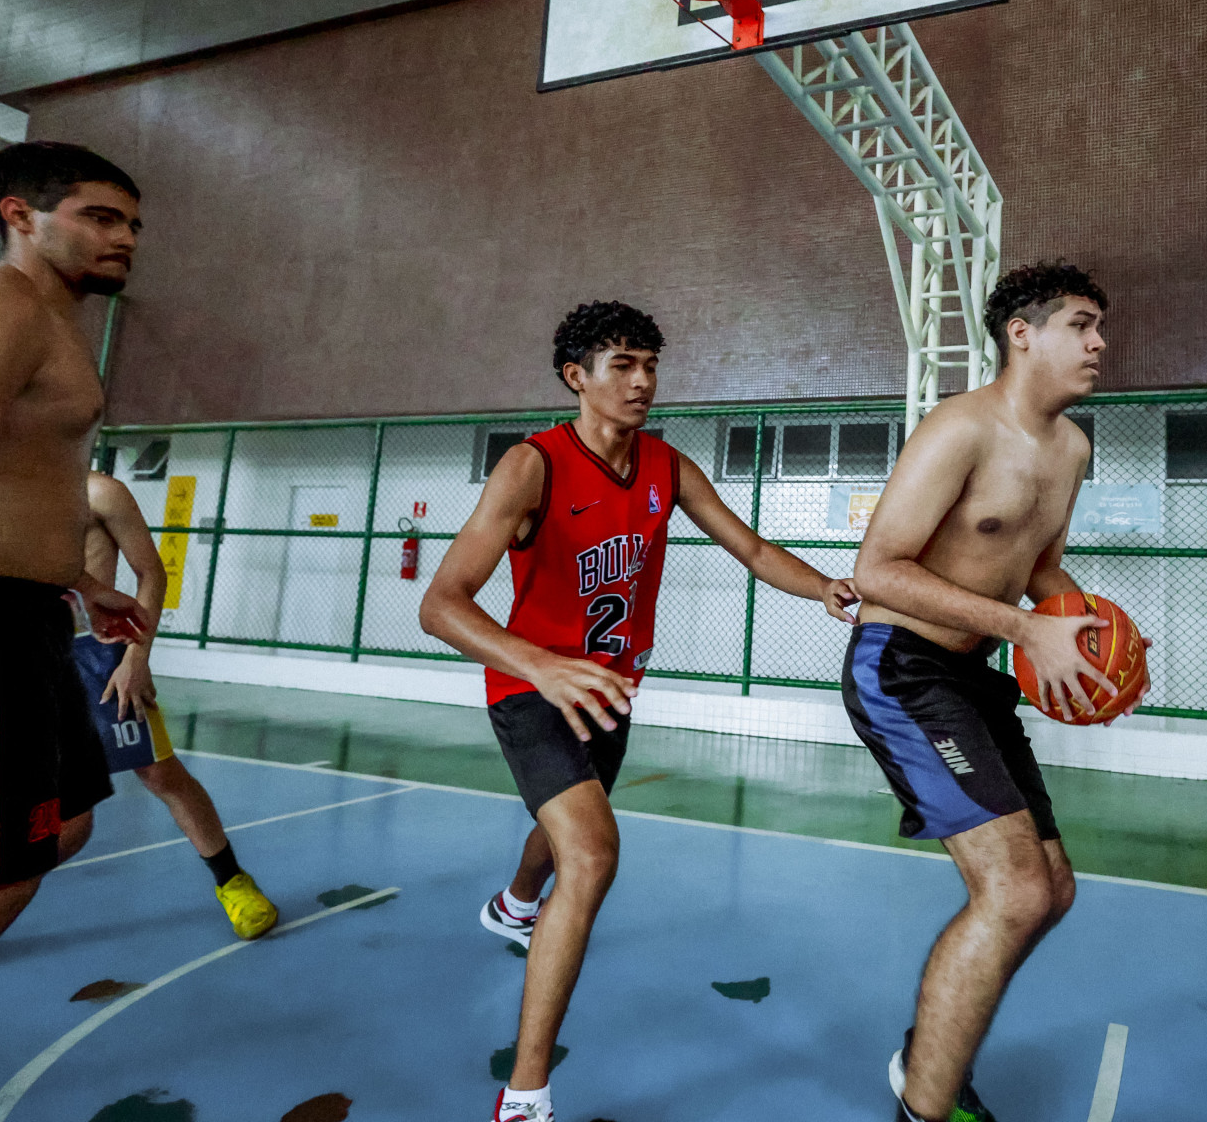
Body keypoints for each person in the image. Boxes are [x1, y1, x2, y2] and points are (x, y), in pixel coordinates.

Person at [419, 300, 858, 1122]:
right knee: (591, 853)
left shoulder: (666, 466)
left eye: (650, 364)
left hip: (612, 693)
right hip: (534, 688)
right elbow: (442, 606)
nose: (643, 381)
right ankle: (523, 1094)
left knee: (565, 833)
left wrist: (828, 587)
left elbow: (756, 550)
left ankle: (512, 905)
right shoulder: (533, 467)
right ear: (575, 377)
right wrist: (541, 665)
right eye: (622, 365)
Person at [848, 260, 1125, 1122]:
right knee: (1012, 891)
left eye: (1099, 327)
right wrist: (1024, 629)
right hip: (902, 666)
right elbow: (876, 572)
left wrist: (1082, 625)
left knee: (1052, 889)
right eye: (1081, 324)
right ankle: (925, 1105)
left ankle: (932, 1053)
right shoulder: (958, 429)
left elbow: (1037, 568)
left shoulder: (1072, 446)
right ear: (1022, 333)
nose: (1099, 343)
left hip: (971, 675)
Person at [0, 142, 155, 1032]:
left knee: (62, 825)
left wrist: (73, 579)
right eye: (99, 218)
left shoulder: (50, 321)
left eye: (133, 224)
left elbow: (4, 478)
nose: (126, 240)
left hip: (27, 611)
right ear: (20, 216)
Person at [75, 469, 278, 938]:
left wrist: (135, 657)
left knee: (160, 774)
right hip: (26, 654)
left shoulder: (99, 491)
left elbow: (151, 572)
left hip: (97, 654)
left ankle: (232, 881)